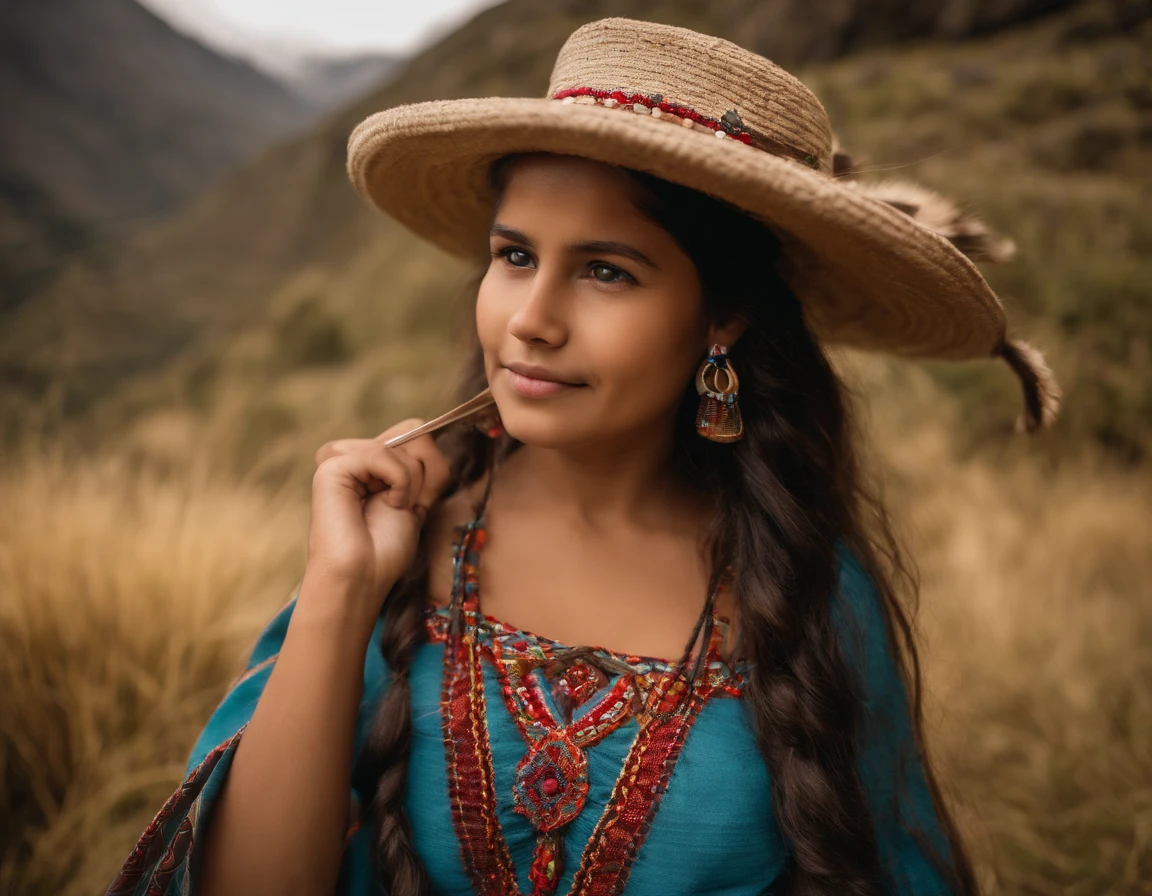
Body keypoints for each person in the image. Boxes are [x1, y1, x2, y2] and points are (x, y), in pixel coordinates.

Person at [107, 16, 1061, 896]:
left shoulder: (807, 587)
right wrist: (340, 590)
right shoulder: (403, 545)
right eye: (514, 256)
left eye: (606, 270)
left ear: (721, 315)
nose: (530, 320)